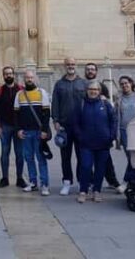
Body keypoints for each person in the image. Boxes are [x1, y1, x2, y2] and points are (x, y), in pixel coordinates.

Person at [74, 81, 117, 203]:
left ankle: (96, 191)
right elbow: (75, 123)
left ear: (99, 91)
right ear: (87, 90)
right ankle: (83, 191)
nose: (93, 91)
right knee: (86, 167)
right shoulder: (81, 104)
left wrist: (111, 136)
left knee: (100, 168)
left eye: (96, 89)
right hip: (86, 143)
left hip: (103, 142)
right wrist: (79, 136)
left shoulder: (106, 104)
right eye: (91, 89)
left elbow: (113, 120)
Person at [52, 57, 88, 196]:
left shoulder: (83, 83)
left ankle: (81, 182)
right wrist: (55, 120)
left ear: (76, 65)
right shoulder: (59, 84)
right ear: (64, 66)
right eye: (68, 64)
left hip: (80, 125)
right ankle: (66, 182)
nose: (70, 66)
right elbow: (55, 103)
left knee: (81, 155)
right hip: (64, 126)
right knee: (65, 156)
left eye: (73, 64)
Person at [14, 69, 52, 196]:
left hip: (38, 132)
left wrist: (44, 131)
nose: (29, 79)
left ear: (35, 78)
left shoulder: (42, 93)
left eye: (31, 77)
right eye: (27, 77)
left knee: (40, 158)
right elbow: (16, 114)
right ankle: (33, 182)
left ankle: (45, 184)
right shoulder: (19, 94)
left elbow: (46, 113)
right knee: (28, 158)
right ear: (23, 79)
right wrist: (18, 129)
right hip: (25, 132)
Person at [84, 62, 121, 190]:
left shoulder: (102, 86)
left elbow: (108, 105)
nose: (90, 71)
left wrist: (111, 135)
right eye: (88, 69)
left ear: (96, 71)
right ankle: (89, 181)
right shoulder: (81, 85)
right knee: (86, 160)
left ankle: (112, 180)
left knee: (105, 159)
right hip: (87, 130)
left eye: (92, 69)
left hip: (101, 130)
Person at [0, 66, 25, 188]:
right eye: (6, 74)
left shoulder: (21, 89)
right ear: (3, 75)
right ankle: (5, 178)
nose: (8, 76)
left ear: (14, 75)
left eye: (10, 73)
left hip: (18, 127)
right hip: (5, 126)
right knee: (4, 153)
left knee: (19, 153)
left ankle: (20, 178)